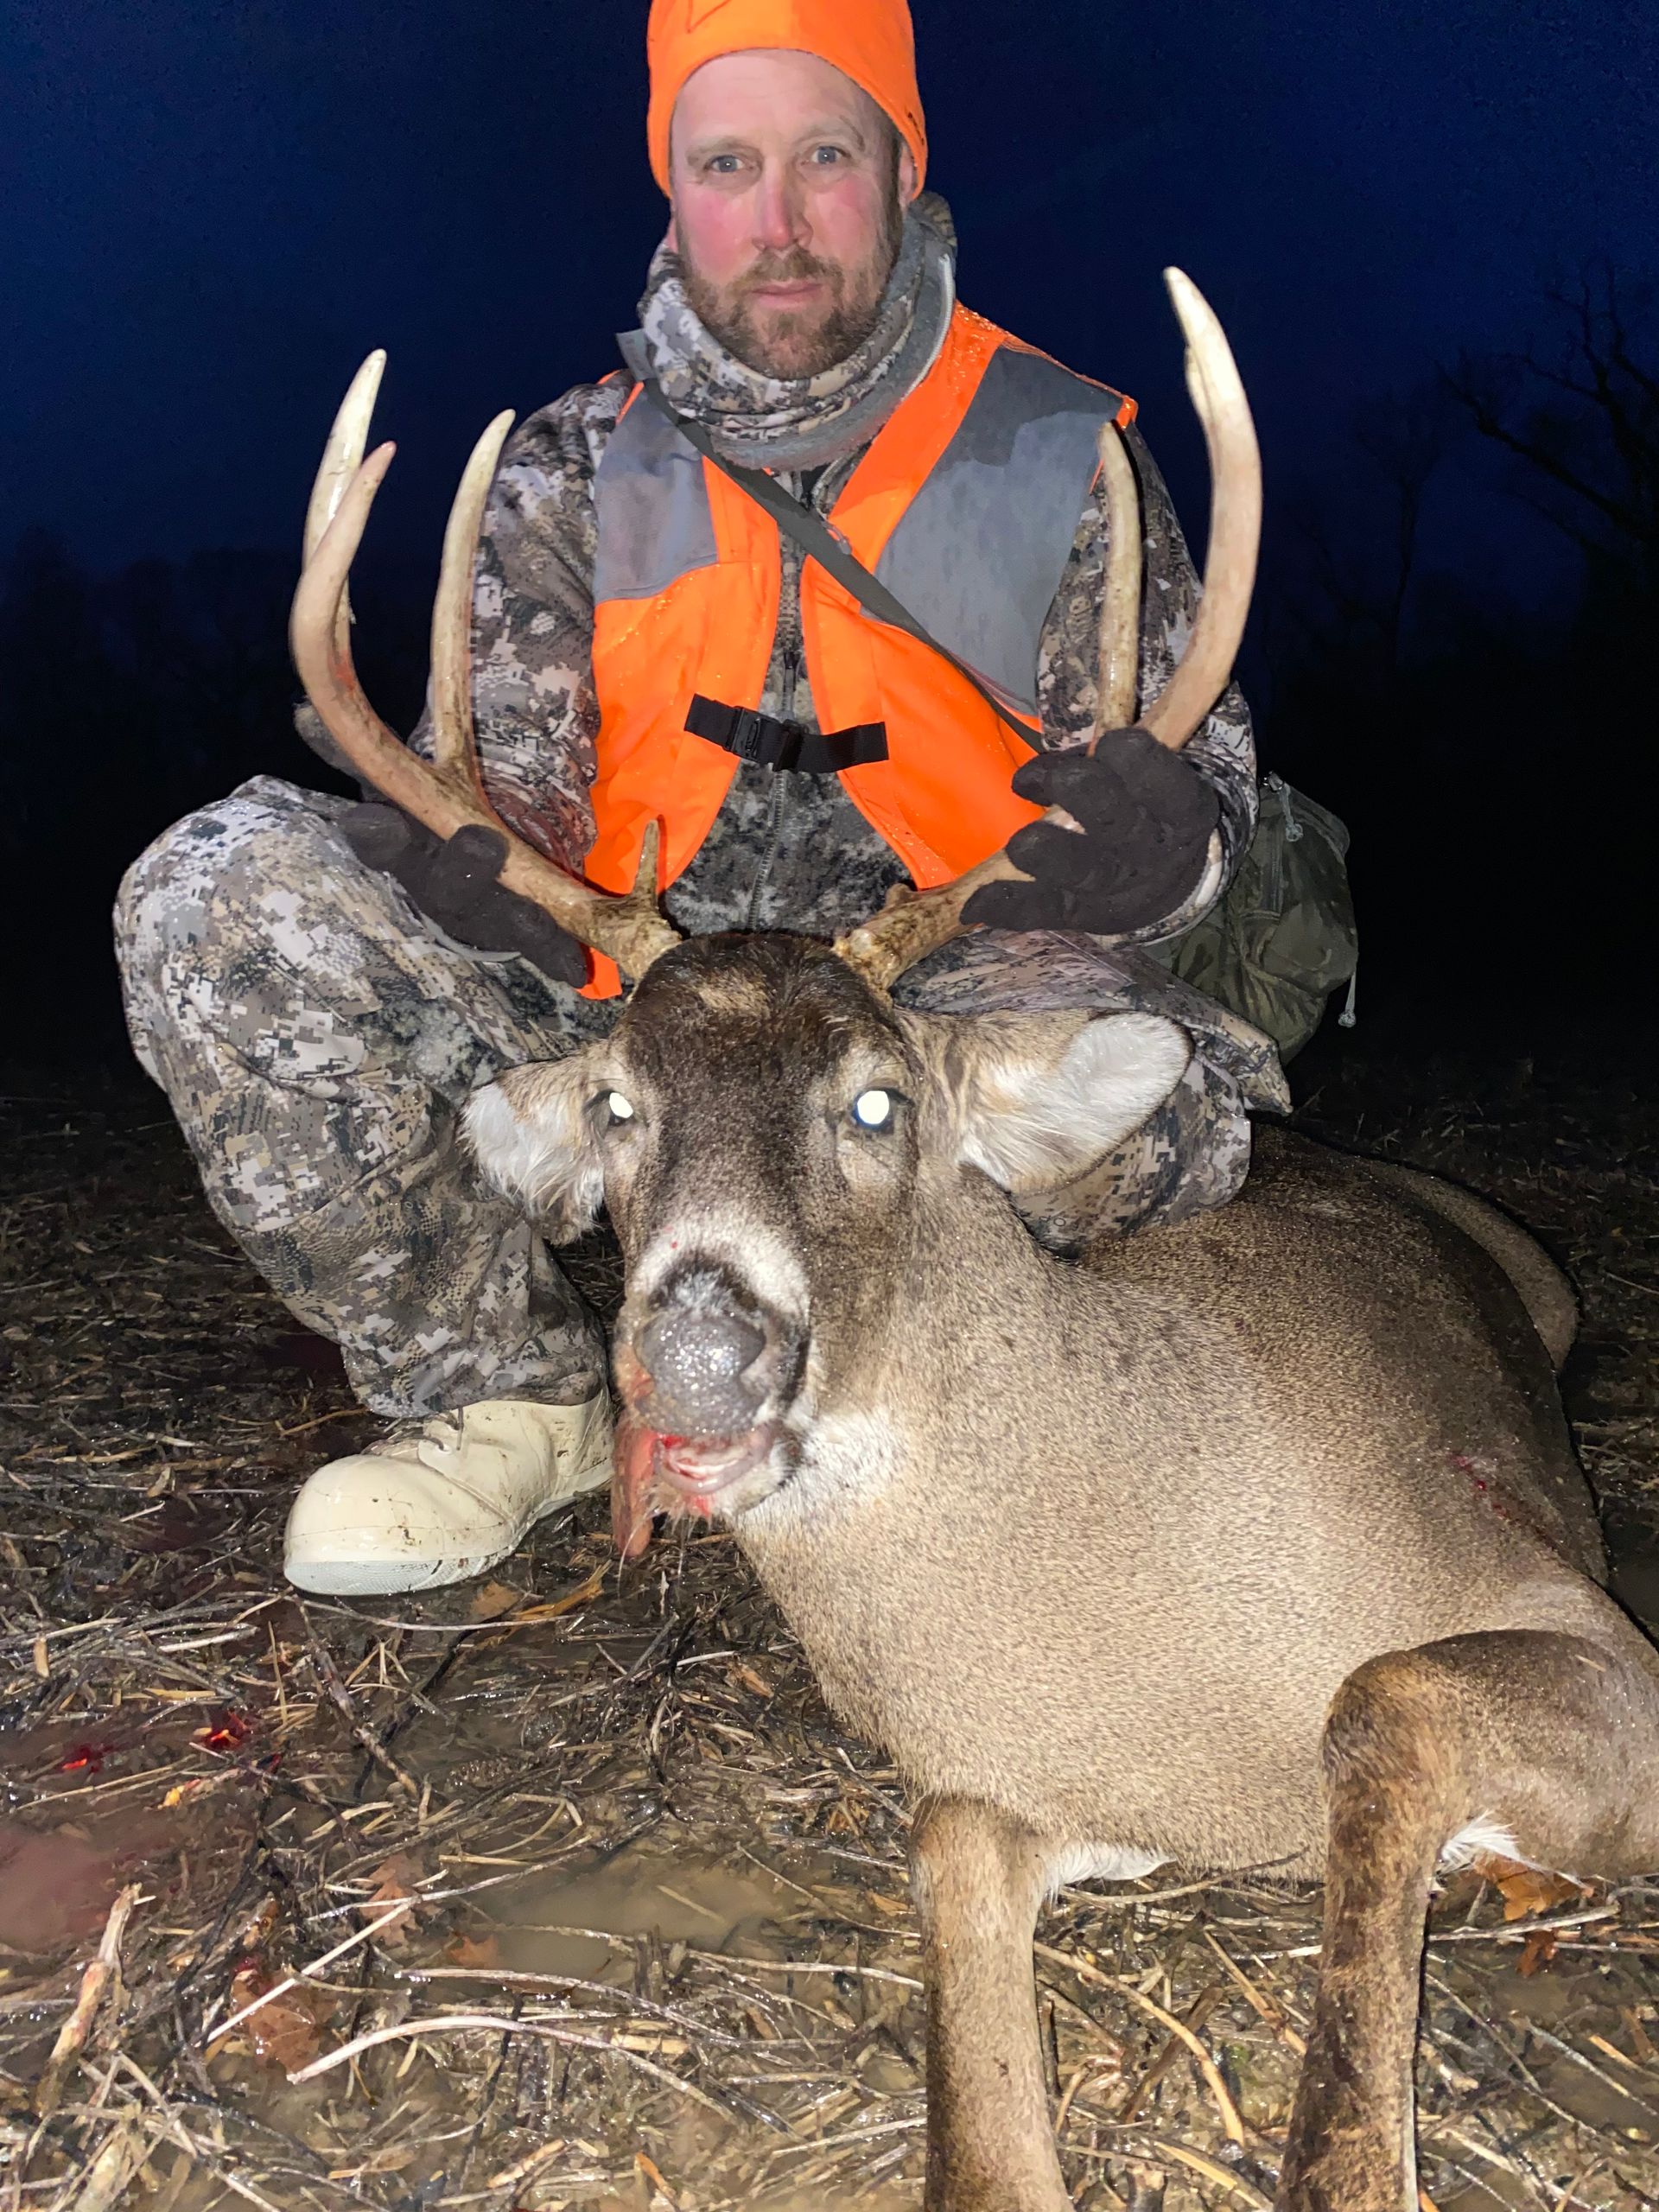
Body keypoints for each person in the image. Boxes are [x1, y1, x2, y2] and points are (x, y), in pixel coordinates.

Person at [116, 0, 1284, 1599]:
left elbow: (1194, 779)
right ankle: (509, 1400)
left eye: (828, 156)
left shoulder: (1057, 459)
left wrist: (1166, 857)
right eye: (728, 164)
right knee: (216, 894)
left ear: (900, 168)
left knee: (1161, 1122)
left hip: (932, 997)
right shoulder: (566, 471)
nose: (782, 220)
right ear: (674, 188)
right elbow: (513, 780)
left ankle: (954, 1402)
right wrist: (488, 873)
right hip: (633, 1000)